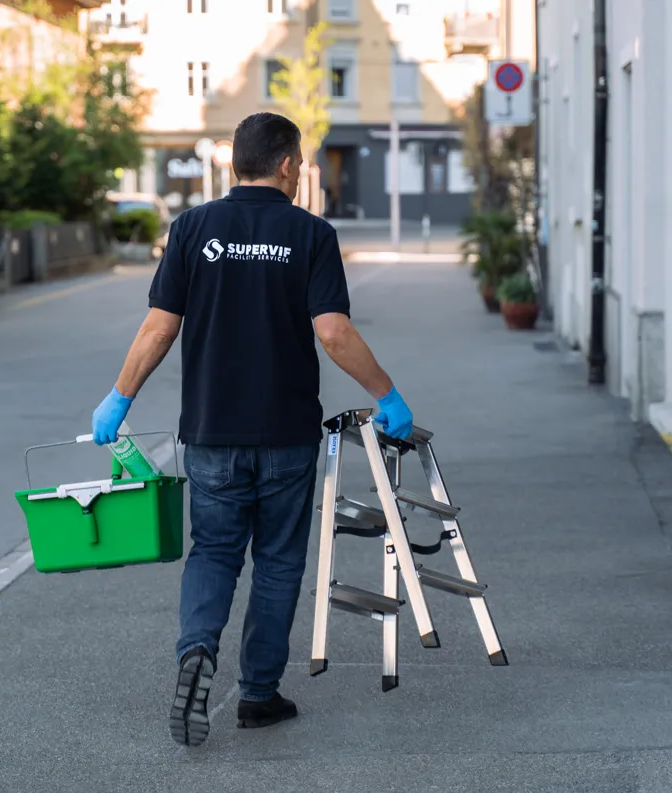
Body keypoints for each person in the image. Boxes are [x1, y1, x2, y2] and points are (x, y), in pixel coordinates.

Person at [90, 112, 413, 747]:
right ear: (287, 164)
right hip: (286, 432)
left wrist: (119, 398)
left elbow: (159, 327)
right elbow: (333, 332)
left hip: (211, 430)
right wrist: (387, 393)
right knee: (278, 561)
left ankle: (196, 651)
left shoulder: (192, 228)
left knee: (213, 551)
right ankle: (259, 695)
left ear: (237, 160)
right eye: (300, 161)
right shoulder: (311, 233)